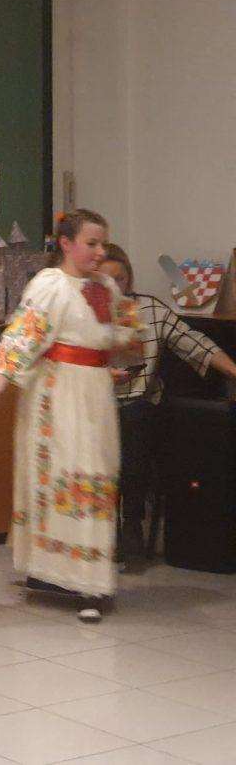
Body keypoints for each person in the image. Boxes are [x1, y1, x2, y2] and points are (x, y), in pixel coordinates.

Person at [0, 210, 141, 621]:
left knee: (97, 474)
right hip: (59, 393)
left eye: (102, 243)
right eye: (91, 243)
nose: (99, 251)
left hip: (94, 392)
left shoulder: (106, 286)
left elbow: (126, 333)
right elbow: (23, 336)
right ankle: (73, 577)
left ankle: (82, 572)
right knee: (67, 473)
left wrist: (115, 344)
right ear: (67, 244)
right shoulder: (49, 284)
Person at [99, 242, 236, 567]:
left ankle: (132, 524)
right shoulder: (84, 313)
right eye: (105, 281)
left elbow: (194, 342)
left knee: (135, 421)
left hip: (139, 402)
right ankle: (101, 529)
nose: (114, 287)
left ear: (129, 279)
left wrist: (233, 369)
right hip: (95, 403)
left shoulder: (148, 309)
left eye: (119, 279)